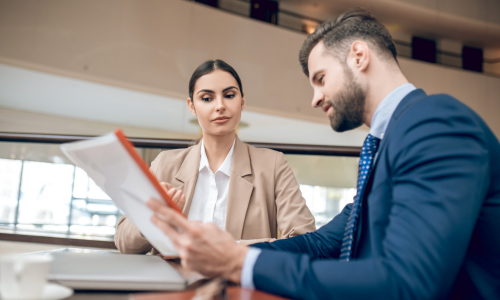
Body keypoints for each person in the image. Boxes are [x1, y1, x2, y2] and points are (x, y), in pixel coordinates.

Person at [145, 8, 500, 299]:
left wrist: (240, 263)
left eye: (320, 78)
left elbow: (407, 283)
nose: (315, 98)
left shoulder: (434, 124)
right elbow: (322, 242)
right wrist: (223, 253)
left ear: (358, 57)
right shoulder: (391, 141)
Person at [115, 59, 316, 255]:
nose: (220, 105)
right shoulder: (165, 164)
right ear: (192, 106)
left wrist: (229, 248)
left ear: (242, 101)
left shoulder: (272, 165)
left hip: (238, 285)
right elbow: (124, 242)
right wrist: (155, 214)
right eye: (206, 98)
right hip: (170, 281)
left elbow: (304, 240)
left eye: (229, 95)